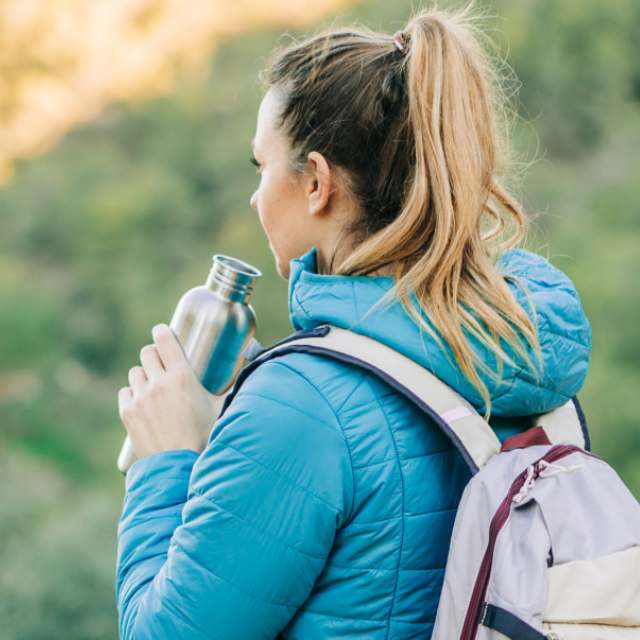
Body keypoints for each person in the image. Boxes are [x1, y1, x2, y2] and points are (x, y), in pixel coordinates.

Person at [115, 4, 592, 639]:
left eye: (262, 168)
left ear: (316, 182)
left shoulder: (300, 406)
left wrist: (165, 458)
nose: (256, 196)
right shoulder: (517, 339)